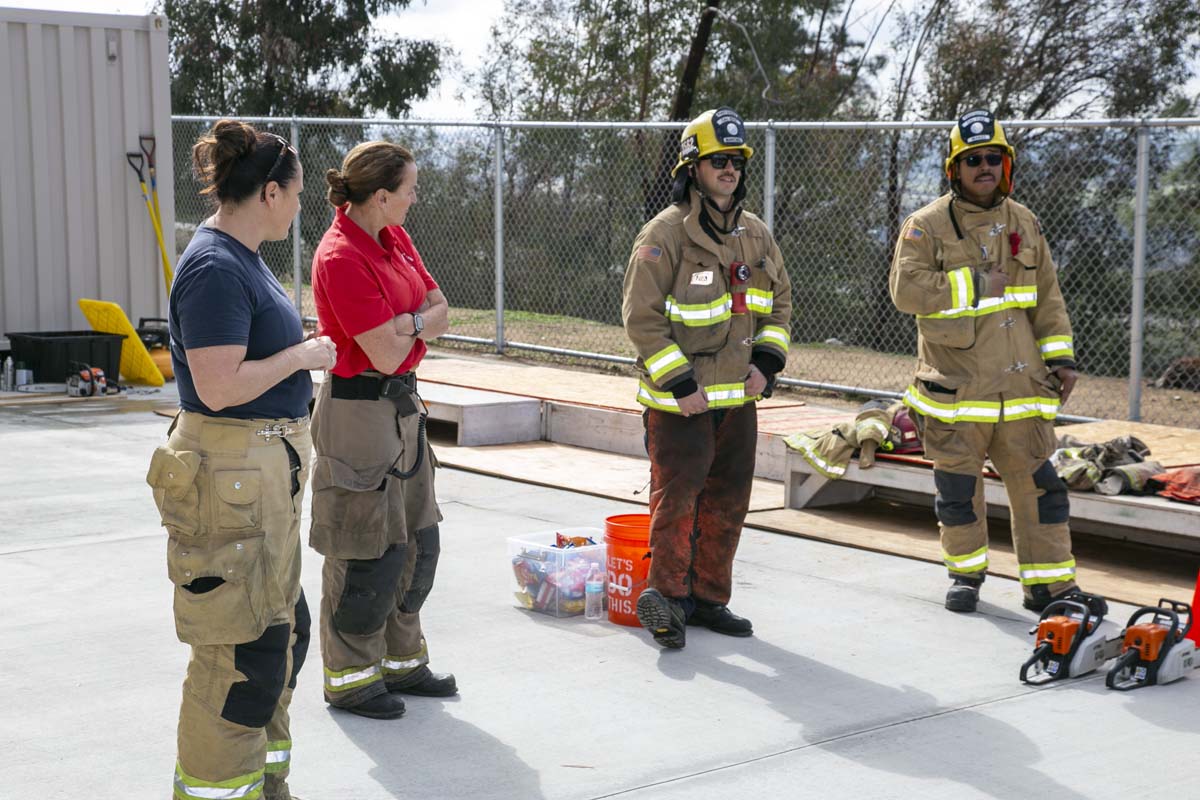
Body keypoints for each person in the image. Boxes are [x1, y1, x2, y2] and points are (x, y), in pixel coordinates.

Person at [146, 119, 337, 800]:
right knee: (238, 653)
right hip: (230, 478)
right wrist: (302, 356)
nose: (300, 207)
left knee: (278, 634)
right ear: (269, 193)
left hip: (258, 480)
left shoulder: (241, 259)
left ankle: (263, 783)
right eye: (298, 193)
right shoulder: (216, 268)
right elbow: (219, 387)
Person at [889, 109, 1101, 615]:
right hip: (957, 392)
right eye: (973, 160)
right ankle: (965, 577)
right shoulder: (925, 226)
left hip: (1022, 389)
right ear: (954, 169)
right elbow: (905, 290)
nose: (984, 167)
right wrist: (976, 284)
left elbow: (1047, 297)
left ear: (1006, 164)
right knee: (958, 494)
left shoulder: (1025, 221)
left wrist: (1062, 358)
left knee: (1043, 491)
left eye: (992, 158)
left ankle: (1050, 587)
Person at [622, 107, 793, 649]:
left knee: (729, 499)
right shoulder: (664, 234)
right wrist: (679, 385)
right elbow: (641, 318)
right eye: (718, 160)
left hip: (738, 400)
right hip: (681, 404)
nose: (729, 169)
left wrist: (767, 364)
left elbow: (780, 305)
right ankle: (668, 601)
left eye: (736, 161)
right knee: (677, 501)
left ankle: (710, 600)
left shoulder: (756, 235)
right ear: (692, 167)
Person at [308, 141, 454, 719]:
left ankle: (402, 662)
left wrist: (407, 322)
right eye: (410, 189)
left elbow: (442, 310)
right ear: (381, 195)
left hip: (403, 410)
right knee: (364, 547)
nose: (415, 198)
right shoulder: (340, 256)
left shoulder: (394, 238)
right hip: (359, 413)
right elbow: (385, 354)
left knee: (416, 540)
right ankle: (350, 679)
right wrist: (417, 327)